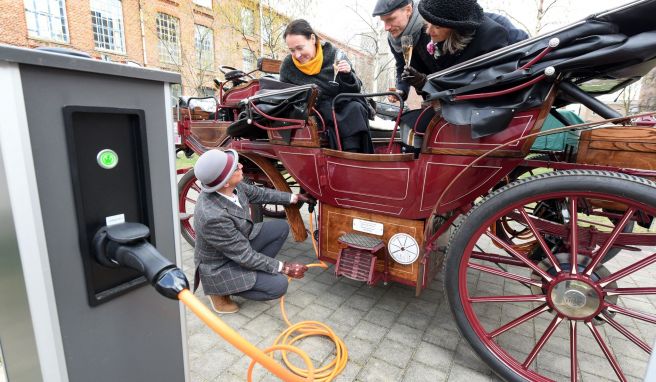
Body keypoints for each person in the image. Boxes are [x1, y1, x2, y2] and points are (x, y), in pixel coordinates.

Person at [193, 149, 311, 314]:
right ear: (225, 182)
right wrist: (284, 267)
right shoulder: (213, 216)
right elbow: (245, 255)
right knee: (279, 285)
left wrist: (294, 198)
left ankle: (253, 273)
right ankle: (219, 292)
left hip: (237, 249)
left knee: (280, 227)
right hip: (221, 265)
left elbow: (260, 193)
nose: (241, 165)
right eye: (235, 168)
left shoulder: (232, 187)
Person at [373, 0, 526, 102]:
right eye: (428, 24)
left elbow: (461, 75)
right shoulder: (398, 38)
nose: (428, 31)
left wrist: (427, 83)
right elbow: (402, 67)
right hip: (439, 96)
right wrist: (403, 89)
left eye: (391, 19)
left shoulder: (493, 30)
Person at [279, 19, 374, 153]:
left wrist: (347, 75)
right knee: (331, 111)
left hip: (343, 102)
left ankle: (356, 154)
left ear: (312, 39)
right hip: (315, 110)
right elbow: (285, 95)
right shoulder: (288, 66)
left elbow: (355, 89)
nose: (297, 55)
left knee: (356, 107)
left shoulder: (335, 54)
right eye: (292, 50)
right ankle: (348, 156)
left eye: (300, 48)